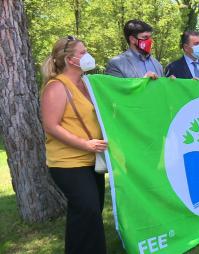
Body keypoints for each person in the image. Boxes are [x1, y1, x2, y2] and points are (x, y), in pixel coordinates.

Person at [40, 36, 108, 253]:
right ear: (70, 59)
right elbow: (51, 126)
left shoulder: (88, 83)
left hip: (92, 160)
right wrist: (84, 144)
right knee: (86, 210)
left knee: (90, 212)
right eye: (82, 52)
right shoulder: (57, 86)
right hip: (67, 163)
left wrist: (144, 80)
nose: (87, 55)